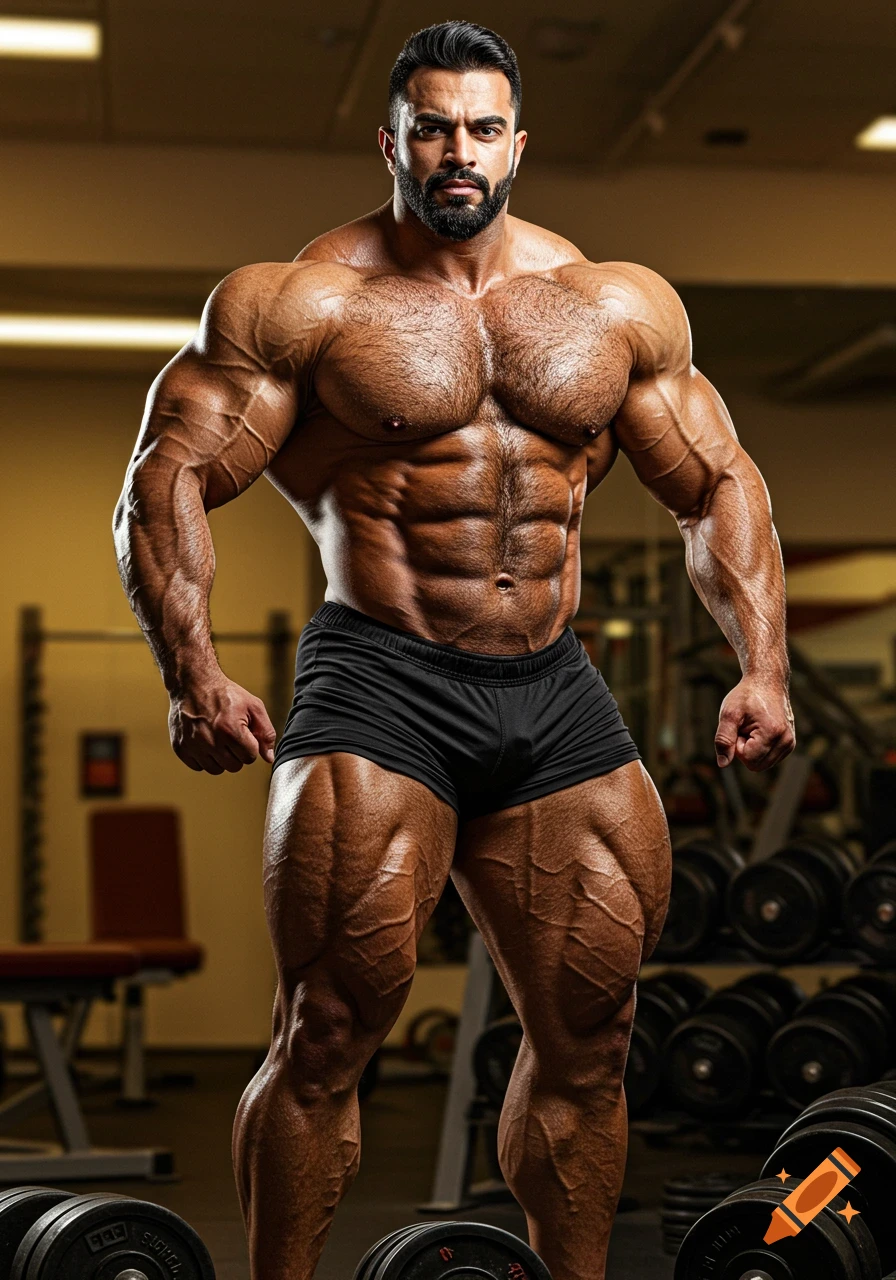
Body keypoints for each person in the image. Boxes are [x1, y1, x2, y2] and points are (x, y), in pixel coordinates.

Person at [113, 20, 795, 1280]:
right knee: (326, 1029)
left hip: (553, 686)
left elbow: (715, 482)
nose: (458, 152)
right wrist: (191, 671)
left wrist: (762, 662)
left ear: (517, 143)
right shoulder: (303, 301)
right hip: (383, 679)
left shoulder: (611, 303)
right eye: (431, 128)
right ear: (391, 142)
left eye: (481, 128)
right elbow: (167, 479)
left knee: (592, 1036)